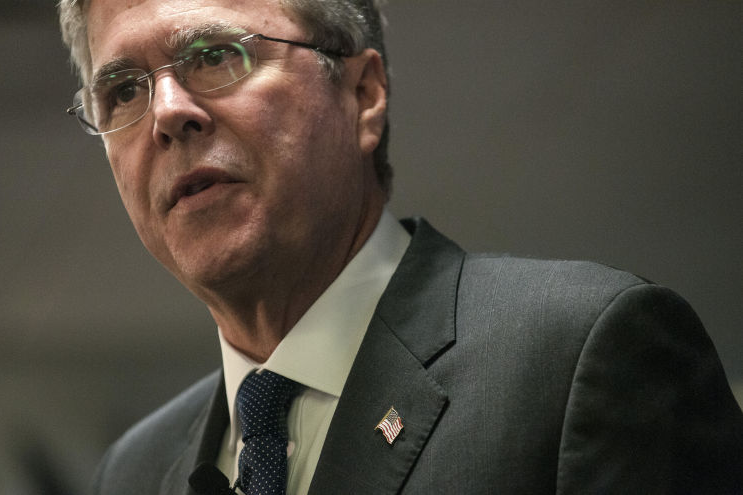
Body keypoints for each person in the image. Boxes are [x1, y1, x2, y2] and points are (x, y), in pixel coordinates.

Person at [59, 0, 742, 493]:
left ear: (363, 93)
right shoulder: (133, 471)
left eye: (215, 54)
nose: (168, 113)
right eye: (122, 90)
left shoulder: (581, 356)